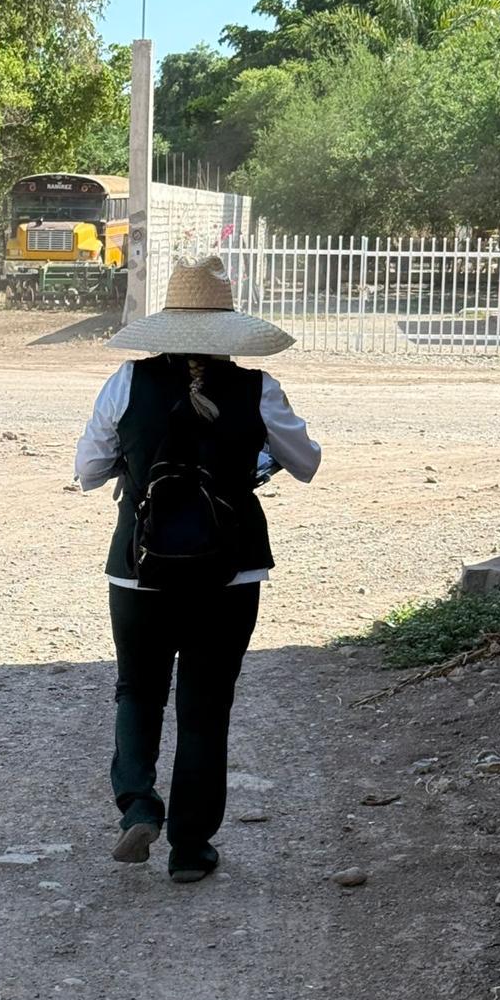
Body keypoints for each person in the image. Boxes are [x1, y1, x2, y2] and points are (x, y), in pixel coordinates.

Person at [74, 255, 321, 883]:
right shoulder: (257, 387)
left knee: (137, 688)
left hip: (138, 568)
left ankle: (137, 804)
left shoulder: (126, 384)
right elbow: (307, 462)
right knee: (207, 705)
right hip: (229, 574)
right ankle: (190, 848)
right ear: (228, 327)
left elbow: (87, 471)